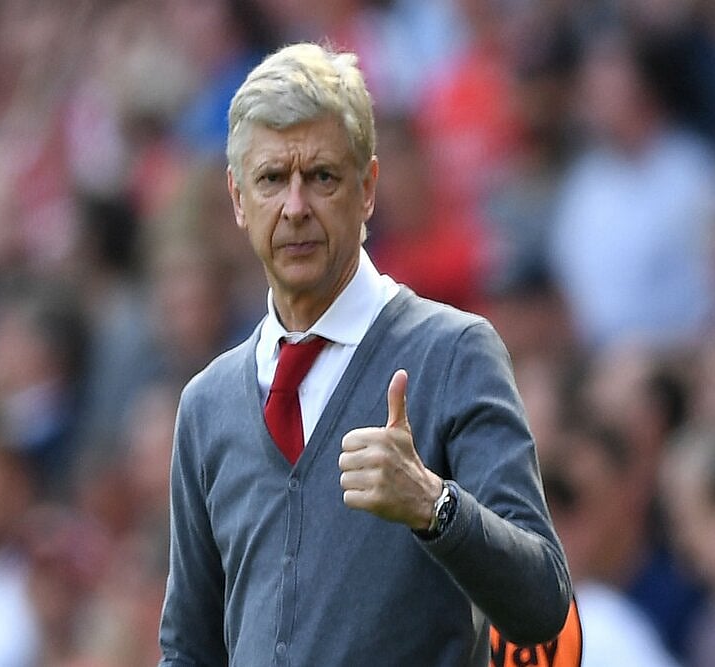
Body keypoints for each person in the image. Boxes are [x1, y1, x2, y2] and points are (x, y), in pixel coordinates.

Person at [158, 42, 573, 666]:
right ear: (239, 200)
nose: (295, 207)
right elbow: (189, 649)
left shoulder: (454, 353)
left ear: (368, 188)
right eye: (272, 179)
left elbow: (542, 604)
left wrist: (433, 506)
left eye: (322, 177)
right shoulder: (206, 404)